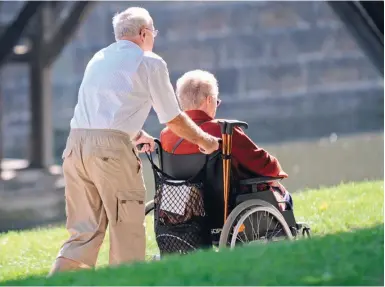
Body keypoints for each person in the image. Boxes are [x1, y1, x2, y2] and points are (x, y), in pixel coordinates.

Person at [49, 8, 220, 275]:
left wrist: (137, 134)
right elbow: (173, 118)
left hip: (75, 147)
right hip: (110, 154)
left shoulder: (99, 58)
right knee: (126, 232)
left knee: (82, 235)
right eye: (153, 33)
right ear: (144, 33)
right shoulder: (149, 62)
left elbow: (104, 111)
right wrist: (206, 140)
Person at [160, 70, 293, 210]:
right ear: (209, 100)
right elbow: (259, 161)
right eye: (216, 102)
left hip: (183, 207)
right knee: (283, 196)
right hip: (224, 205)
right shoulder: (223, 130)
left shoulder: (166, 135)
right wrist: (276, 172)